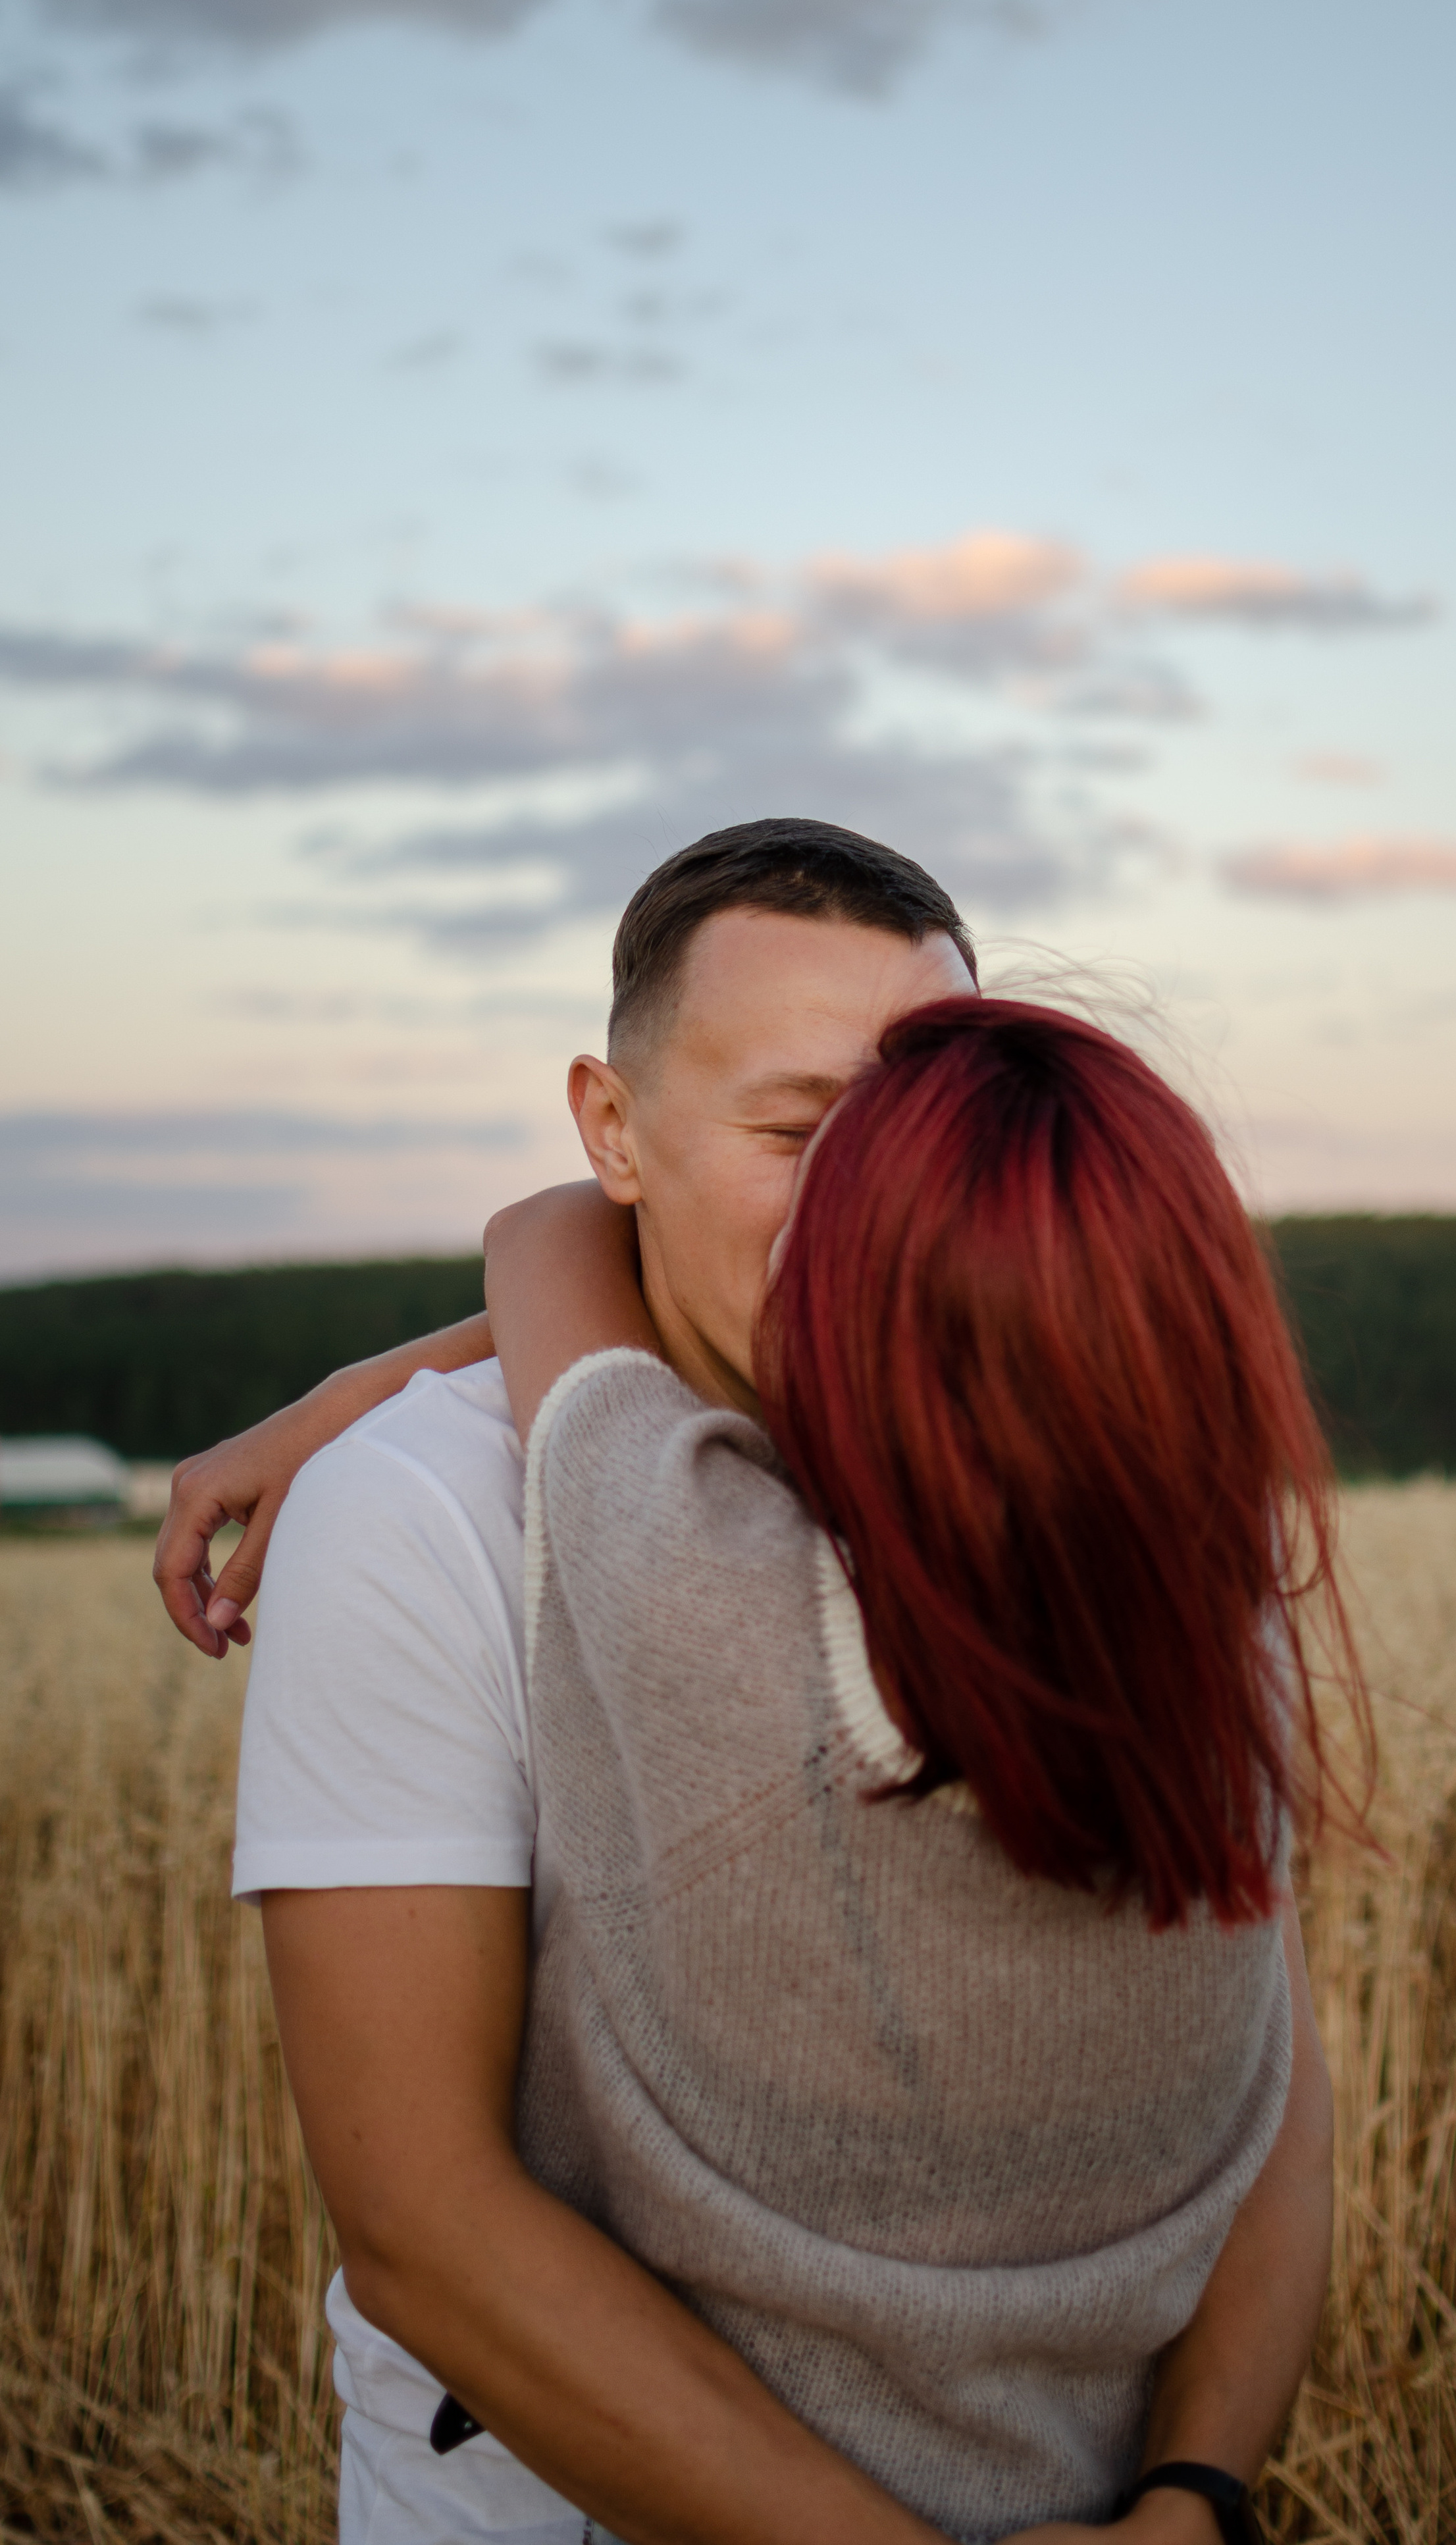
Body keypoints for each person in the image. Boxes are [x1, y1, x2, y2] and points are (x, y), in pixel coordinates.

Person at [155, 820, 1343, 2545]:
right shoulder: (417, 1518)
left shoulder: (1081, 1518)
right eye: (797, 1132)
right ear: (615, 1126)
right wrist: (1191, 2500)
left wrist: (1191, 2481)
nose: (871, 1202)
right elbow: (421, 2220)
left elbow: (1269, 2071)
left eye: (912, 1131)